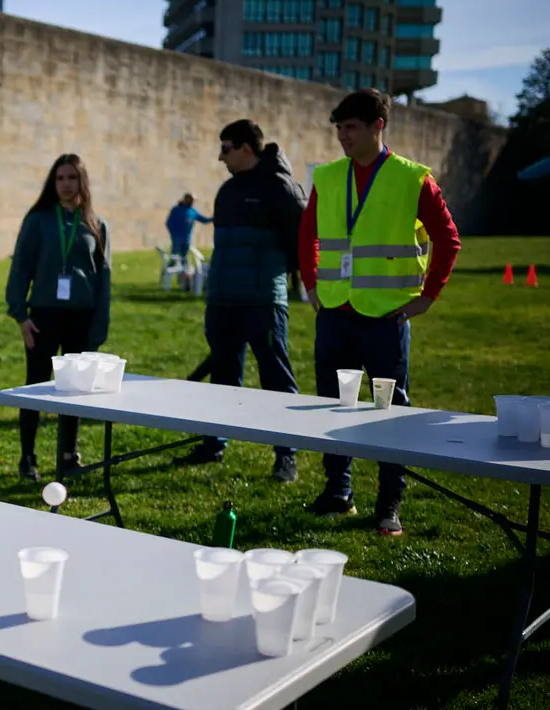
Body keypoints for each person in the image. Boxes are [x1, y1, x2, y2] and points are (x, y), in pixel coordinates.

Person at [301, 88, 461, 536]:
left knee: (390, 412)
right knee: (331, 406)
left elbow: (448, 240)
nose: (342, 136)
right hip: (334, 311)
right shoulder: (329, 177)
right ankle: (339, 492)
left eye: (350, 127)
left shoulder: (413, 178)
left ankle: (390, 502)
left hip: (388, 316)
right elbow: (307, 234)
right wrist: (312, 284)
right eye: (338, 128)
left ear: (378, 126)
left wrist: (428, 297)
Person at [174, 120, 305, 482]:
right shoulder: (228, 191)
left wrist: (279, 278)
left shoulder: (281, 188)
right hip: (223, 300)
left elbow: (302, 241)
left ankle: (286, 454)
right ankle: (214, 442)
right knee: (223, 376)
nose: (220, 156)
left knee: (275, 377)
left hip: (263, 301)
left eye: (226, 148)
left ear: (247, 148)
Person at [4, 153, 111, 482]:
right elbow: (20, 266)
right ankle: (28, 457)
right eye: (60, 178)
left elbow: (103, 278)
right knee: (35, 386)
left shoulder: (95, 224)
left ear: (82, 182)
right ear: (53, 183)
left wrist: (98, 327)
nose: (66, 185)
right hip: (43, 318)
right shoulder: (38, 220)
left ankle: (68, 456)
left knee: (74, 391)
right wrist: (21, 316)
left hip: (81, 318)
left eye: (72, 178)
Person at [165, 193, 212, 264]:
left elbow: (204, 220)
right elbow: (169, 223)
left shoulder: (193, 211)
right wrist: (173, 234)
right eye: (191, 200)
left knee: (184, 259)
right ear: (186, 200)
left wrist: (213, 218)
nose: (192, 202)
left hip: (187, 239)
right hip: (177, 238)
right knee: (174, 258)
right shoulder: (176, 210)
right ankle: (168, 273)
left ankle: (182, 275)